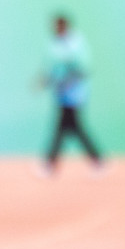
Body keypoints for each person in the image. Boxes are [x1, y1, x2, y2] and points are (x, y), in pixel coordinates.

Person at [40, 14, 102, 175]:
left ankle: (50, 163)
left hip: (75, 94)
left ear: (66, 26)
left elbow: (83, 68)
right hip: (61, 95)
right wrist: (47, 80)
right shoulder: (54, 43)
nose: (56, 29)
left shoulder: (76, 43)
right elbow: (52, 68)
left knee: (64, 129)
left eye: (59, 26)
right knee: (70, 129)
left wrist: (66, 80)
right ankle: (96, 160)